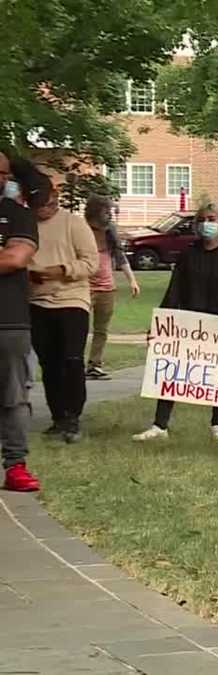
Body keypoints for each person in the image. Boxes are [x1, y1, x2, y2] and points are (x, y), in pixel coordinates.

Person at [132, 204, 218, 443]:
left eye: (212, 218)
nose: (207, 223)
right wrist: (159, 326)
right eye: (203, 219)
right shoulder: (188, 255)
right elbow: (174, 291)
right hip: (188, 325)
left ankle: (217, 424)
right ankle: (160, 425)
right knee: (172, 372)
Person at [29, 185, 98, 444]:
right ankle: (58, 416)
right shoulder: (25, 224)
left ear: (55, 199)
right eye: (38, 205)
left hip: (72, 299)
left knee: (71, 359)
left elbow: (90, 262)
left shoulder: (74, 224)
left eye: (48, 203)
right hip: (36, 300)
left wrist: (61, 270)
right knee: (49, 362)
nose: (44, 209)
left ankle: (73, 416)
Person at [0, 153, 50, 491]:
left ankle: (15, 465)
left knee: (12, 397)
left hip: (8, 322)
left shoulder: (17, 216)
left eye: (2, 172)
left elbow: (15, 257)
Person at [84, 196, 139, 380]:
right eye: (105, 211)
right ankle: (72, 364)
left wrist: (132, 280)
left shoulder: (110, 231)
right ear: (95, 211)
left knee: (101, 329)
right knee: (78, 328)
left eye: (110, 211)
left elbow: (119, 255)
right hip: (84, 287)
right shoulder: (81, 230)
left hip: (106, 287)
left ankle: (94, 365)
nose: (109, 214)